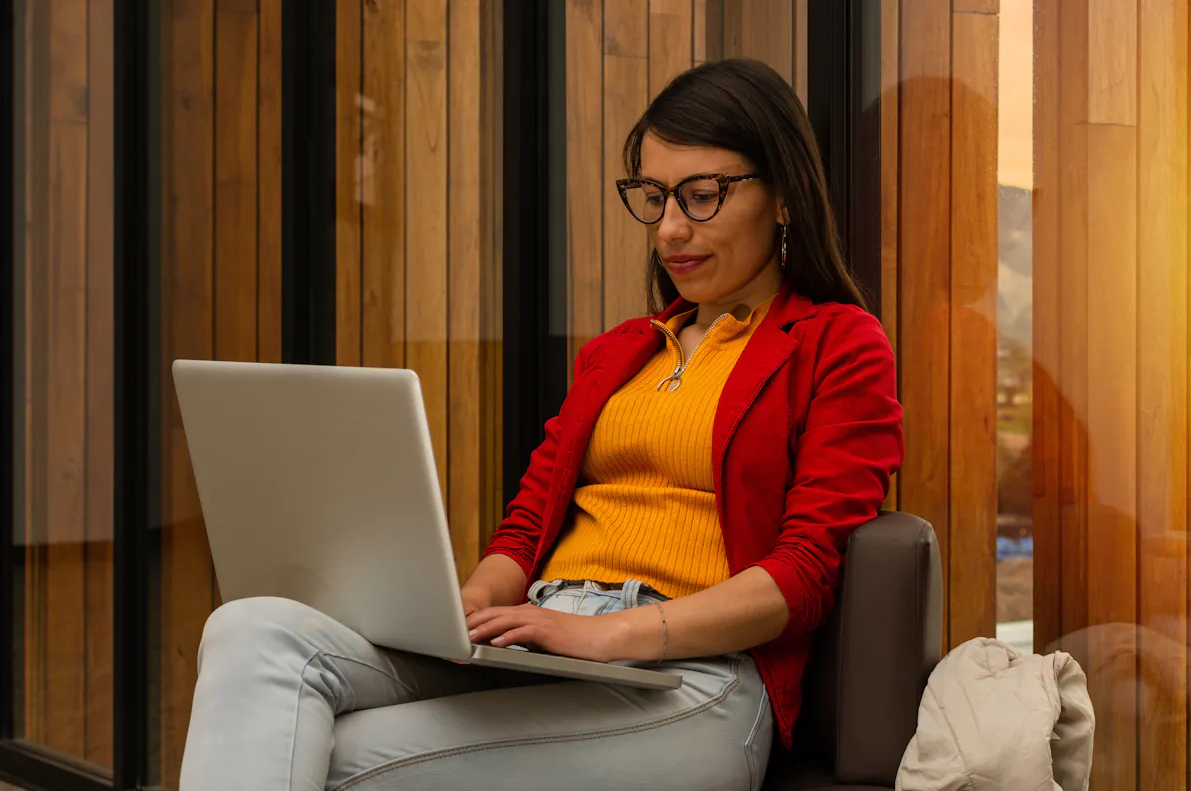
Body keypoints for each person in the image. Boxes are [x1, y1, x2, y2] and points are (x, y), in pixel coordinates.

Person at [179, 58, 904, 791]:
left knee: (328, 754)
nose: (671, 228)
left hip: (691, 680)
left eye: (703, 195)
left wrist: (606, 632)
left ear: (783, 196)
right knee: (252, 629)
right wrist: (459, 608)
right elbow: (524, 533)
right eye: (653, 197)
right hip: (540, 638)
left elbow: (804, 574)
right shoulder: (619, 351)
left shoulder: (837, 343)